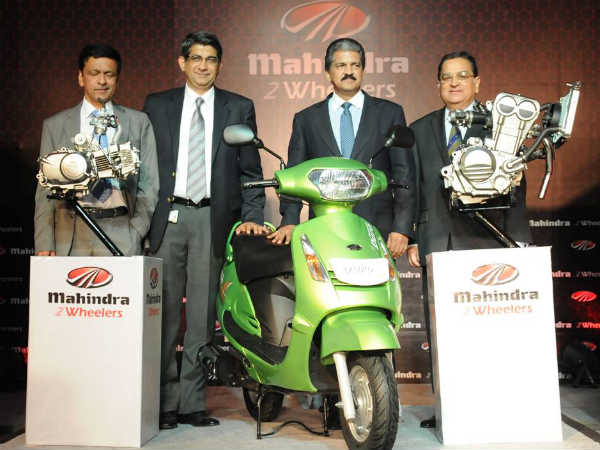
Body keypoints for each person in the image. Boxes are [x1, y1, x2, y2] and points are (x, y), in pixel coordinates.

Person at [143, 31, 267, 430]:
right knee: (162, 316)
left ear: (219, 64)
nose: (203, 66)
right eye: (195, 58)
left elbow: (251, 173)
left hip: (211, 219)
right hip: (167, 218)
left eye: (210, 59)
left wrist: (252, 215)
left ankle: (192, 403)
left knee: (201, 318)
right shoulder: (157, 105)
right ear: (182, 62)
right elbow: (144, 167)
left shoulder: (238, 107)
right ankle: (163, 403)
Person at [408, 51, 532, 428]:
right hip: (438, 240)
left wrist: (519, 239)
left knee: (488, 332)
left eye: (462, 76)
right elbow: (413, 188)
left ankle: (493, 410)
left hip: (489, 238)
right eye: (447, 77)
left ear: (477, 82)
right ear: (438, 84)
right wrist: (413, 237)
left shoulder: (501, 127)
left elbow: (518, 186)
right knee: (442, 331)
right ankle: (449, 412)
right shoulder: (420, 129)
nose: (454, 83)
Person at [268, 37, 416, 258]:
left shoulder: (389, 113)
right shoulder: (307, 119)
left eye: (355, 65)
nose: (349, 71)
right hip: (323, 229)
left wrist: (401, 228)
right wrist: (289, 220)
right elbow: (294, 175)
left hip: (377, 229)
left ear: (363, 70)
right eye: (341, 66)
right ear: (327, 73)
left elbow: (404, 174)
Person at [34, 44, 159, 256]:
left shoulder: (138, 123)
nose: (102, 81)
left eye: (109, 74)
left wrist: (136, 230)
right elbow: (44, 190)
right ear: (81, 78)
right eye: (94, 73)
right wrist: (44, 242)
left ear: (117, 80)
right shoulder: (55, 126)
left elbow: (150, 185)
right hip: (70, 234)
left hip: (122, 232)